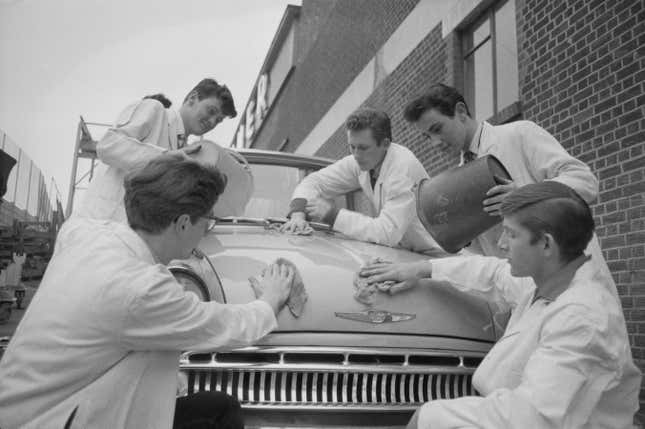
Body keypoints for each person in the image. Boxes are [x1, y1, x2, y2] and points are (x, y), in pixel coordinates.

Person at [0, 155, 294, 429]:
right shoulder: (139, 288)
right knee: (220, 410)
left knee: (217, 407)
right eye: (209, 221)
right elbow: (223, 325)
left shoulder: (87, 235)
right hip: (50, 420)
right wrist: (270, 300)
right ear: (182, 223)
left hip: (26, 403)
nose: (208, 231)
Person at [361, 181, 641, 428]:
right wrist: (421, 269)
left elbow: (530, 419)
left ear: (546, 244)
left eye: (511, 234)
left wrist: (430, 416)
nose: (501, 243)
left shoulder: (583, 321)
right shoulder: (550, 280)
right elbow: (491, 273)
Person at [403, 83, 599, 258]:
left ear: (461, 112)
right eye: (427, 137)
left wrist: (524, 196)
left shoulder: (520, 133)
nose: (435, 143)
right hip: (523, 286)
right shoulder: (458, 179)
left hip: (569, 267)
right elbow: (489, 251)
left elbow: (585, 182)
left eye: (437, 129)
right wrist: (458, 231)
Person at [281, 108, 445, 256]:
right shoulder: (360, 161)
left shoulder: (403, 170)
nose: (356, 155)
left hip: (436, 254)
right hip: (406, 253)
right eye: (352, 147)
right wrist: (298, 215)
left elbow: (386, 232)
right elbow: (314, 181)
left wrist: (333, 215)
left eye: (363, 148)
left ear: (385, 144)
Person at [74, 78, 237, 224]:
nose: (212, 121)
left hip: (129, 244)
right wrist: (165, 158)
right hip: (98, 229)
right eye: (211, 111)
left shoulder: (186, 153)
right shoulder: (155, 110)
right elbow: (108, 145)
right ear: (192, 98)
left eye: (219, 120)